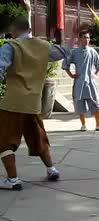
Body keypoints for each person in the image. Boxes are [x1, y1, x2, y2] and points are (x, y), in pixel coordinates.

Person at [0, 16, 76, 190]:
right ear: (29, 28)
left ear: (14, 29)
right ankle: (51, 169)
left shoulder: (10, 47)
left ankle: (13, 180)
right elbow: (64, 52)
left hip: (12, 102)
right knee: (38, 137)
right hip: (34, 101)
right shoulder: (44, 46)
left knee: (4, 141)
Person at [62, 30, 99, 132]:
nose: (86, 40)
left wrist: (95, 74)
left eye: (88, 38)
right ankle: (83, 125)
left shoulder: (92, 51)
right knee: (79, 105)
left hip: (90, 82)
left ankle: (98, 124)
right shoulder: (75, 52)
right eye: (84, 37)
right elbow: (66, 64)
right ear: (80, 39)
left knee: (95, 104)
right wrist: (71, 75)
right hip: (79, 82)